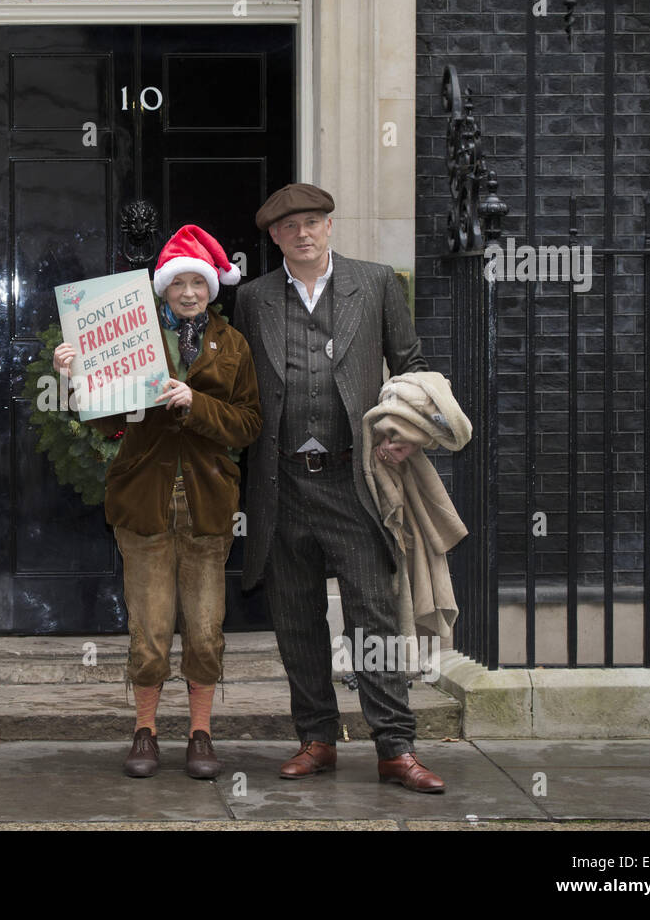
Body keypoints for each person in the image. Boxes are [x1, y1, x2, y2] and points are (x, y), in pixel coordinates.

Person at [232, 183, 447, 793]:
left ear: (330, 226)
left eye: (314, 222)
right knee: (296, 619)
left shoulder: (377, 283)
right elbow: (236, 377)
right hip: (283, 484)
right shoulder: (253, 299)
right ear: (274, 237)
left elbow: (411, 368)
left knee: (373, 618)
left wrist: (408, 431)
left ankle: (395, 748)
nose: (303, 233)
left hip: (355, 480)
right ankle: (317, 739)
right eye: (290, 226)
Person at [54, 225, 261, 779]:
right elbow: (103, 417)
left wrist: (196, 402)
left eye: (198, 282)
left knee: (204, 627)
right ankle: (144, 732)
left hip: (208, 506)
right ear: (163, 289)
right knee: (148, 628)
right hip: (143, 502)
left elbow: (247, 424)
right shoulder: (136, 338)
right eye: (179, 283)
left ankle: (200, 734)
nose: (189, 292)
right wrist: (75, 377)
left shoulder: (233, 344)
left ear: (211, 287)